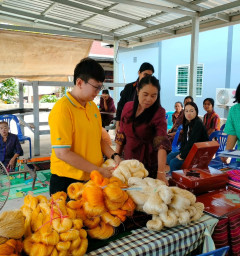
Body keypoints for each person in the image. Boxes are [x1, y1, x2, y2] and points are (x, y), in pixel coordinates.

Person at [48, 58, 121, 195]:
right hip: (67, 183)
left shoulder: (92, 107)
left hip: (91, 178)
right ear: (80, 82)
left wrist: (114, 155)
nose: (98, 92)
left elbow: (98, 140)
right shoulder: (62, 109)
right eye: (96, 87)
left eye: (101, 87)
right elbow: (62, 153)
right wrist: (97, 170)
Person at [115, 75, 171, 183]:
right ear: (137, 90)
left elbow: (162, 144)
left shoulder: (159, 112)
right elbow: (121, 135)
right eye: (145, 94)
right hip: (128, 161)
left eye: (153, 96)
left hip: (148, 163)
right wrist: (116, 158)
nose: (149, 99)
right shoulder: (128, 107)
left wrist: (161, 173)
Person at [167, 101, 209, 172]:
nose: (188, 113)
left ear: (196, 111)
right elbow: (184, 141)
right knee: (169, 157)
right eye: (186, 111)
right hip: (189, 152)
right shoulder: (187, 122)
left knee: (174, 162)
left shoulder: (198, 123)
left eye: (191, 111)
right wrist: (181, 152)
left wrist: (182, 156)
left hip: (197, 155)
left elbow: (192, 142)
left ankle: (176, 179)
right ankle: (177, 173)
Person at [115, 62, 154, 131]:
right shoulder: (129, 87)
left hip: (144, 125)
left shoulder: (152, 90)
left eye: (150, 75)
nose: (147, 78)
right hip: (127, 124)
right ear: (139, 73)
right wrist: (118, 123)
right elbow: (121, 105)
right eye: (145, 74)